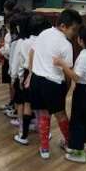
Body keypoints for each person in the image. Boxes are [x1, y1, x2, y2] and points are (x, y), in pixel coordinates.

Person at [29, 8, 83, 159]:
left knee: (43, 114)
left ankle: (44, 148)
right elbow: (67, 72)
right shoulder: (66, 45)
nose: (75, 34)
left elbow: (32, 53)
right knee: (61, 115)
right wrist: (66, 90)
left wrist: (31, 73)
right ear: (63, 26)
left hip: (36, 80)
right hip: (53, 84)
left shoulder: (44, 33)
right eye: (73, 30)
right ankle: (69, 143)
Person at [53, 23, 86, 163]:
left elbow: (76, 77)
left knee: (77, 121)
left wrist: (62, 64)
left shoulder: (84, 55)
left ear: (81, 40)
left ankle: (78, 153)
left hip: (83, 92)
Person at [14, 14, 51, 146]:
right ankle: (45, 132)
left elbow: (20, 62)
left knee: (27, 104)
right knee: (43, 106)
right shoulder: (46, 42)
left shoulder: (24, 42)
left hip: (27, 74)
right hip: (42, 74)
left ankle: (23, 136)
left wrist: (20, 78)